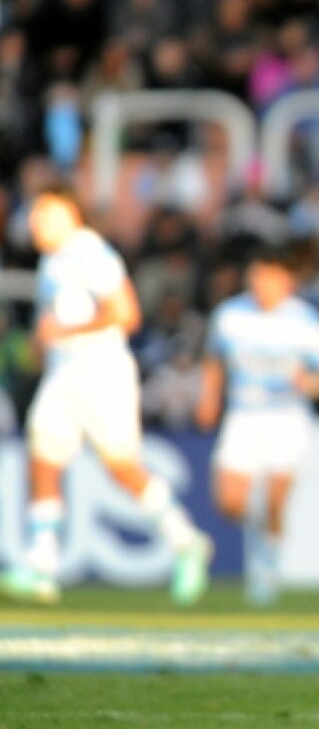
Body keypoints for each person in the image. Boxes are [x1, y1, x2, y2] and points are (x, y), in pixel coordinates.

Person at [0, 186, 213, 606]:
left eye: (44, 214)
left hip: (100, 370)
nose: (34, 223)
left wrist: (65, 334)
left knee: (121, 468)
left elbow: (125, 313)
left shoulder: (90, 253)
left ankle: (186, 539)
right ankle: (43, 565)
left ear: (70, 214)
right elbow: (56, 322)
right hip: (65, 371)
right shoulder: (53, 263)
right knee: (43, 459)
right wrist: (43, 345)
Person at [195, 244, 319, 606]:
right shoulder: (230, 315)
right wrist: (209, 397)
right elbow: (214, 361)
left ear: (287, 282)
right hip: (243, 416)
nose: (263, 284)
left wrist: (310, 384)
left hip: (287, 419)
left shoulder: (306, 321)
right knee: (230, 504)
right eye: (258, 275)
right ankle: (259, 527)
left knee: (277, 500)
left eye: (271, 277)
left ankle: (267, 565)